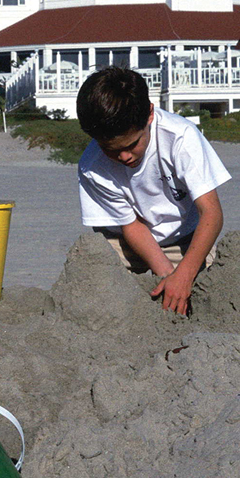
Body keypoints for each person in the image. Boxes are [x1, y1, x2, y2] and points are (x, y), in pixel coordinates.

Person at [76, 66, 230, 315]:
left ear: (149, 114)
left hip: (185, 236)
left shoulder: (180, 137)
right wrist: (167, 275)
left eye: (132, 144)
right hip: (126, 240)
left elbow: (211, 213)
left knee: (205, 297)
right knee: (93, 281)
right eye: (110, 149)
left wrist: (183, 275)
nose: (124, 156)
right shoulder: (92, 166)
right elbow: (131, 226)